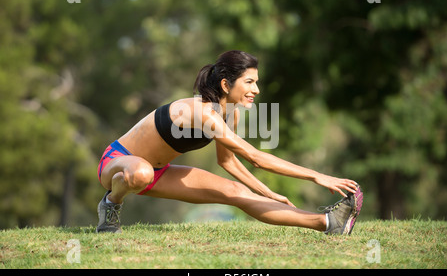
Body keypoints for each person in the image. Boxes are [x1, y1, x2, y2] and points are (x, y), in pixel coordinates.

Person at [96, 50, 363, 235]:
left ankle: (328, 223)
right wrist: (318, 176)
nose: (256, 90)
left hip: (158, 173)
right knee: (140, 172)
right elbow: (255, 157)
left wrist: (265, 192)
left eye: (256, 82)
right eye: (249, 82)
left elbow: (227, 161)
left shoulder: (229, 113)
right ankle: (112, 204)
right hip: (118, 165)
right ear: (226, 84)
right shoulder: (201, 113)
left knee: (238, 193)